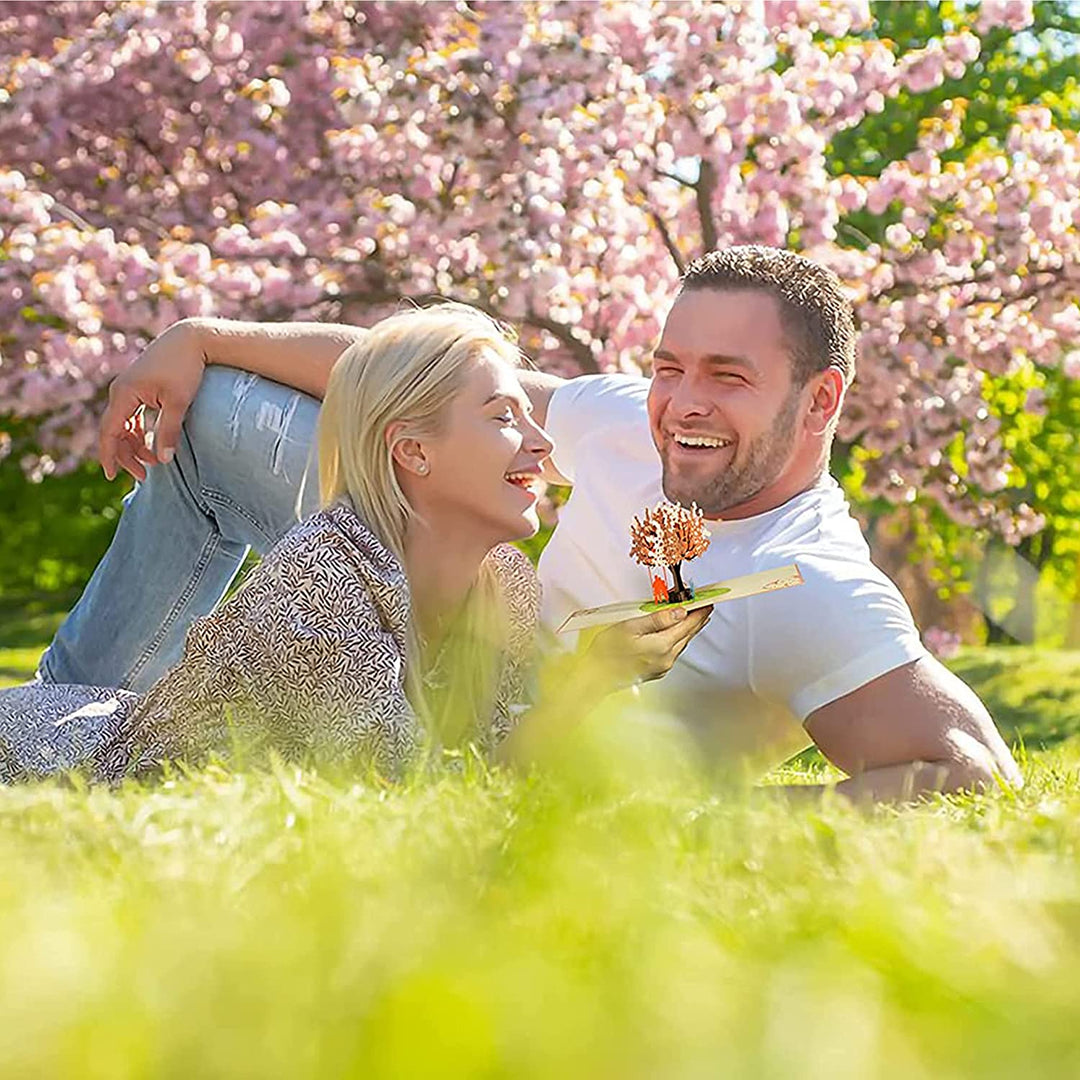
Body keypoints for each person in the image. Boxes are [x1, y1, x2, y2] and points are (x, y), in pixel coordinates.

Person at [42, 246, 1021, 801]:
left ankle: (85, 737)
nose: (679, 403)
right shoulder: (631, 422)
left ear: (820, 402)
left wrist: (728, 818)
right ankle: (80, 710)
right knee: (212, 412)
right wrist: (199, 335)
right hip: (444, 605)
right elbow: (421, 383)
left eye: (729, 378)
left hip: (486, 723)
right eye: (672, 365)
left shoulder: (806, 591)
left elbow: (972, 774)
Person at [4, 303, 708, 782]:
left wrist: (602, 675)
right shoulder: (324, 579)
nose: (543, 444)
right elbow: (408, 791)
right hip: (48, 760)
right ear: (413, 451)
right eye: (504, 417)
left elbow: (496, 763)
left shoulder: (506, 585)